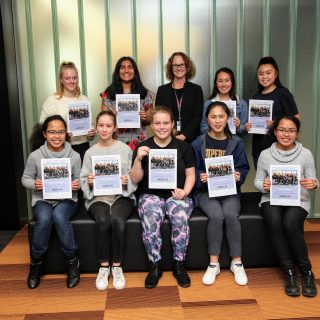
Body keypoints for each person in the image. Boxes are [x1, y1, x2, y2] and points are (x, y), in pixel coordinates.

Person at [130, 106, 196, 289]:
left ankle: (179, 264)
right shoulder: (143, 147)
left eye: (166, 123)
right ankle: (155, 264)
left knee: (180, 218)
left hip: (177, 194)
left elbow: (191, 175)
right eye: (157, 123)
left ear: (173, 124)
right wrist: (137, 160)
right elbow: (135, 179)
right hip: (151, 195)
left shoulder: (184, 147)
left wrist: (185, 192)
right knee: (150, 219)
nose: (161, 127)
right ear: (151, 125)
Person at [254, 115, 318, 297]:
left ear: (297, 133)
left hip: (298, 199)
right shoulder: (266, 154)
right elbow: (257, 181)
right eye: (282, 130)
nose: (286, 134)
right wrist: (263, 185)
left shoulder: (305, 154)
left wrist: (313, 184)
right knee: (274, 221)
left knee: (290, 224)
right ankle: (289, 271)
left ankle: (306, 272)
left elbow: (313, 180)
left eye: (291, 130)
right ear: (275, 132)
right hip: (271, 198)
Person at [191, 101, 250, 286]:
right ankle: (213, 264)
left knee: (231, 214)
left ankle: (237, 262)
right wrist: (201, 176)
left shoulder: (237, 142)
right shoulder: (198, 143)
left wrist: (238, 176)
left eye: (221, 116)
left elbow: (243, 168)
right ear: (207, 119)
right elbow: (192, 170)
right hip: (206, 193)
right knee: (216, 216)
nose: (217, 121)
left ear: (228, 118)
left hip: (229, 192)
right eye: (213, 117)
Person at [21, 115, 81, 289]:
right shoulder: (35, 156)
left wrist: (76, 184)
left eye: (61, 132)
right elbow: (25, 179)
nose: (57, 136)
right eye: (52, 132)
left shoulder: (75, 156)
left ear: (66, 134)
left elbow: (79, 180)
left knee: (60, 217)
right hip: (42, 199)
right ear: (45, 134)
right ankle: (36, 264)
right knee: (45, 219)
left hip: (67, 199)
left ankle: (72, 262)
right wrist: (35, 184)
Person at [80, 110, 137, 290]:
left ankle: (117, 266)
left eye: (108, 126)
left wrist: (127, 180)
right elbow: (82, 177)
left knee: (117, 220)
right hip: (98, 197)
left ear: (115, 128)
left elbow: (133, 175)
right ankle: (104, 266)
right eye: (101, 125)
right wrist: (88, 182)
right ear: (96, 127)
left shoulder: (125, 149)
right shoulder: (90, 152)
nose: (104, 129)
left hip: (122, 196)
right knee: (103, 221)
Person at [245, 56, 300, 169]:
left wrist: (277, 124)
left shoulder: (283, 93)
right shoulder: (256, 97)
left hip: (279, 151)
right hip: (258, 150)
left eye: (268, 73)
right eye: (261, 74)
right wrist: (248, 125)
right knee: (262, 184)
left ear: (276, 74)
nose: (264, 76)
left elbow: (297, 119)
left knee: (278, 185)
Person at [39, 61, 96, 161]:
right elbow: (42, 127)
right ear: (61, 80)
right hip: (60, 149)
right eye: (67, 78)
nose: (72, 81)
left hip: (83, 148)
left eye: (74, 78)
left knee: (81, 177)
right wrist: (62, 134)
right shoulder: (51, 101)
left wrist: (91, 134)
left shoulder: (84, 100)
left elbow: (89, 127)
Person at [100, 56, 154, 150]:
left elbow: (150, 120)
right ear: (118, 71)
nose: (126, 70)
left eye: (130, 67)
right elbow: (103, 121)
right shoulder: (108, 94)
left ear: (135, 71)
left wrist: (144, 117)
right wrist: (111, 116)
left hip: (139, 140)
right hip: (116, 140)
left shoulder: (145, 94)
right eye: (122, 67)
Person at [155, 52, 203, 143]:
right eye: (175, 65)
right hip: (167, 139)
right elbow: (158, 117)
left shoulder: (196, 90)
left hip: (190, 140)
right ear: (171, 68)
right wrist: (168, 135)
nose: (178, 68)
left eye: (181, 65)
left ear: (187, 67)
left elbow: (197, 116)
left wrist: (184, 135)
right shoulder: (162, 90)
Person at [200, 67, 248, 135]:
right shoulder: (208, 104)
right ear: (216, 83)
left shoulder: (241, 103)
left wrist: (239, 126)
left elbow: (245, 131)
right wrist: (212, 125)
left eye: (227, 80)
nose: (223, 84)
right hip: (213, 143)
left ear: (232, 82)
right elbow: (202, 129)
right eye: (220, 81)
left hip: (233, 143)